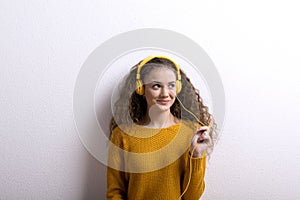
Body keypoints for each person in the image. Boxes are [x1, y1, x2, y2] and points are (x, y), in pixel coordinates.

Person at [107, 55, 218, 200]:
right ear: (141, 89)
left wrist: (196, 155)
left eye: (171, 85)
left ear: (177, 88)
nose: (165, 94)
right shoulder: (122, 135)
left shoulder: (193, 132)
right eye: (156, 86)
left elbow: (192, 197)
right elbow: (114, 193)